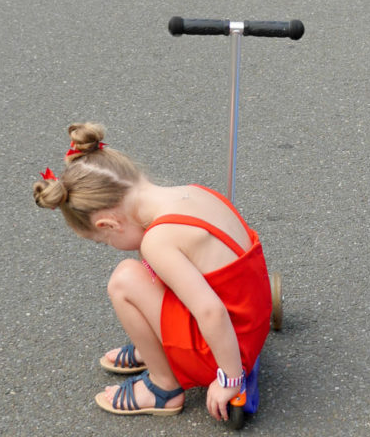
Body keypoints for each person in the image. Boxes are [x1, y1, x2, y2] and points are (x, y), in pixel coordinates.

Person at [34, 123, 272, 420]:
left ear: (108, 224)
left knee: (124, 280)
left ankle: (164, 387)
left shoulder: (158, 240)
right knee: (147, 272)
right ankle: (156, 347)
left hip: (230, 349)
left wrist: (231, 379)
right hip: (251, 315)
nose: (110, 244)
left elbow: (211, 311)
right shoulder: (191, 192)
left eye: (104, 240)